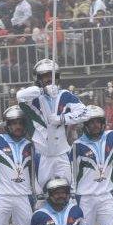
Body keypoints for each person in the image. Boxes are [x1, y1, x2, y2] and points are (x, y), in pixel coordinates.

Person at [16, 58, 90, 190]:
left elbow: (85, 113)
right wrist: (43, 91)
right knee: (42, 193)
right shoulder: (32, 98)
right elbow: (20, 96)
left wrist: (62, 118)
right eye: (45, 76)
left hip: (63, 154)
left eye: (52, 75)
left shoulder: (65, 95)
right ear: (38, 79)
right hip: (42, 156)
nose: (49, 79)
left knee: (67, 190)